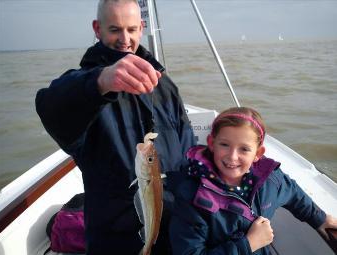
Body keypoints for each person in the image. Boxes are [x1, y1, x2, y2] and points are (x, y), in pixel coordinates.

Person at [35, 0, 195, 254]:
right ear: (97, 29)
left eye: (131, 29)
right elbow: (49, 105)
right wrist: (102, 81)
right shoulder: (86, 87)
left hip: (176, 229)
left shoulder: (164, 85)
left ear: (142, 27)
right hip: (115, 238)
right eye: (114, 29)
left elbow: (188, 147)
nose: (125, 39)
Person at [168, 106, 337, 254]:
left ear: (258, 154)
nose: (232, 156)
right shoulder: (191, 197)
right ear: (212, 144)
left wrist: (320, 219)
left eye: (244, 149)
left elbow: (293, 192)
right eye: (224, 145)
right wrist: (249, 244)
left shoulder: (270, 180)